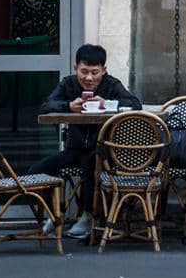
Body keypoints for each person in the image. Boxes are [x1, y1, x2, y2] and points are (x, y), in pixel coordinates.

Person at [31, 44, 141, 239]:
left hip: (103, 151)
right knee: (37, 169)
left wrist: (107, 104)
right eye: (84, 72)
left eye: (94, 72)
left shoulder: (111, 84)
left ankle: (88, 216)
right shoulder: (69, 84)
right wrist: (68, 106)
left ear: (103, 70)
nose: (89, 78)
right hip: (74, 149)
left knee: (91, 165)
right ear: (76, 68)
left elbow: (134, 104)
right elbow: (46, 106)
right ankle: (53, 214)